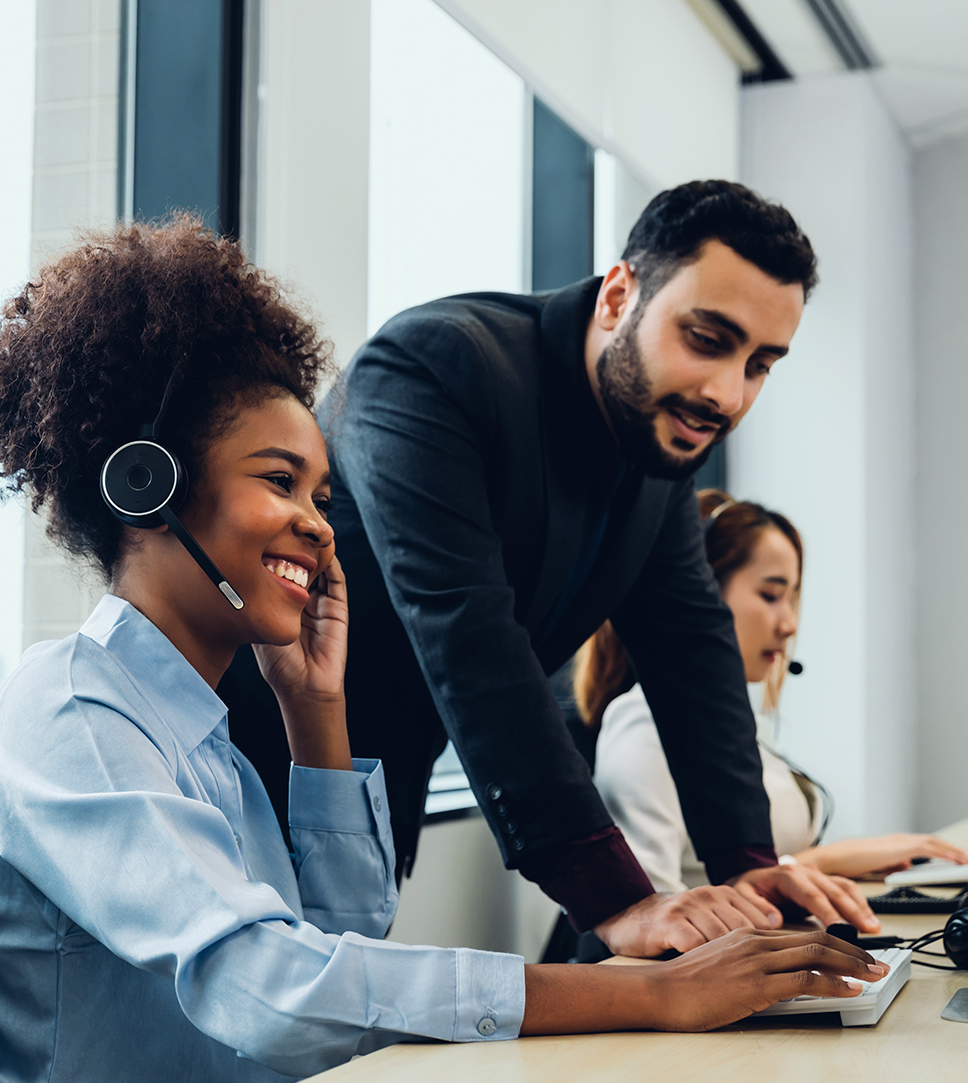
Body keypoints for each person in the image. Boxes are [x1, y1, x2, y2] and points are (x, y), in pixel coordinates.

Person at [0, 218, 887, 1083]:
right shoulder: (72, 708)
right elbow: (265, 989)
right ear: (146, 484)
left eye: (321, 488)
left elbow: (339, 949)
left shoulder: (212, 741)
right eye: (282, 482)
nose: (321, 523)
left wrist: (317, 717)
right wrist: (645, 992)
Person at [220, 179, 880, 956]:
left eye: (761, 364)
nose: (727, 394)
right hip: (240, 771)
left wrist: (748, 863)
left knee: (321, 1052)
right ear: (619, 295)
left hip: (381, 782)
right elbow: (469, 630)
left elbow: (693, 648)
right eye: (707, 339)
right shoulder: (433, 366)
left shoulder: (656, 448)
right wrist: (617, 902)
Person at [589, 489, 968, 893]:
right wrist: (821, 862)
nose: (789, 625)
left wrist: (832, 863)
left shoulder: (733, 725)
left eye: (792, 598)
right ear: (698, 596)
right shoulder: (646, 724)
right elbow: (659, 917)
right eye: (770, 595)